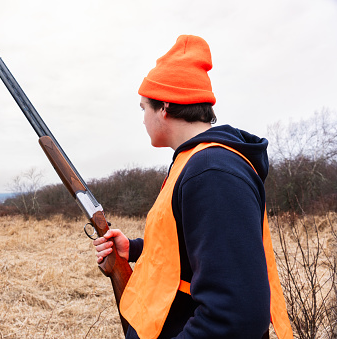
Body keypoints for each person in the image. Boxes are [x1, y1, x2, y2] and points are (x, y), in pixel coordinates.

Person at [93, 35, 293, 339]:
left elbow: (236, 315)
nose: (143, 118)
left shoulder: (212, 172)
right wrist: (133, 248)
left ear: (164, 107)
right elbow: (195, 250)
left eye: (144, 108)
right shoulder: (196, 162)